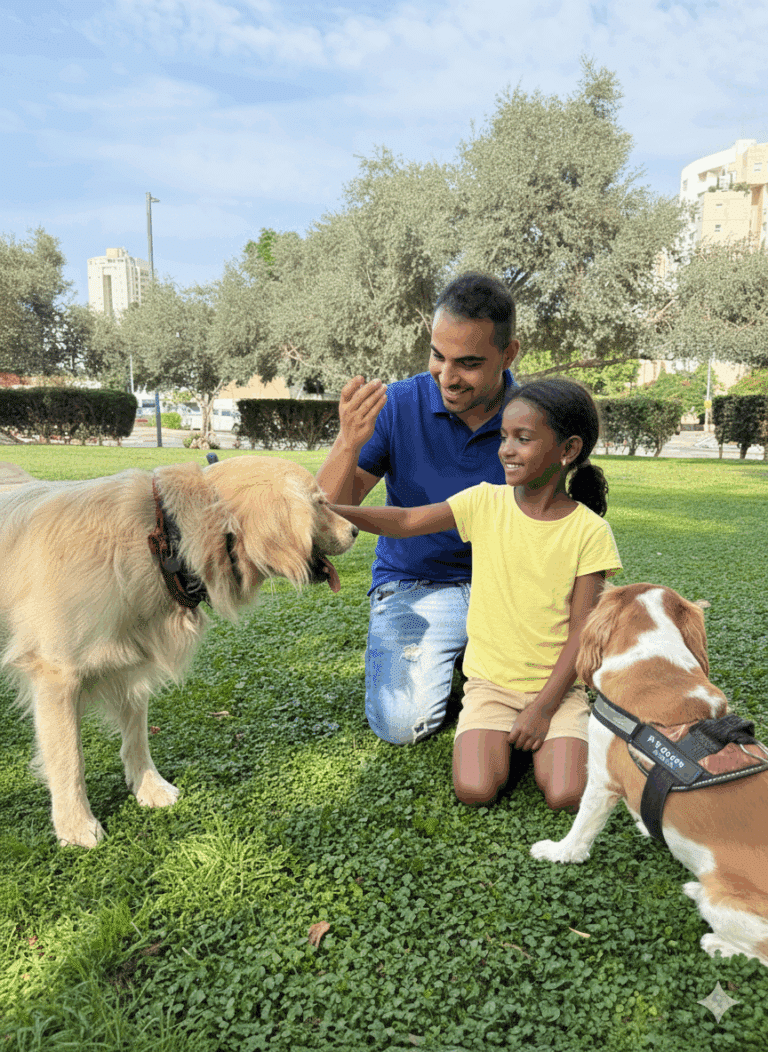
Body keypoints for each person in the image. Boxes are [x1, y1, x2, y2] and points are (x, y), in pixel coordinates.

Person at [330, 379, 622, 812]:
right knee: (475, 790)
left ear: (568, 449)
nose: (505, 449)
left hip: (557, 691)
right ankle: (513, 736)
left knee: (566, 794)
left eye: (523, 439)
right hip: (491, 686)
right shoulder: (485, 502)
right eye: (504, 436)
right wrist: (329, 512)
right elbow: (407, 520)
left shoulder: (590, 532)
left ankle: (548, 737)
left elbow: (583, 630)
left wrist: (542, 709)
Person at [316, 273, 519, 746]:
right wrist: (347, 442)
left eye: (469, 363)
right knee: (401, 725)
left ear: (509, 355)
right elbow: (327, 521)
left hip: (508, 587)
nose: (448, 376)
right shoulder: (399, 405)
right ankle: (462, 665)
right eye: (438, 356)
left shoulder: (532, 415)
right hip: (417, 583)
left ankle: (470, 663)